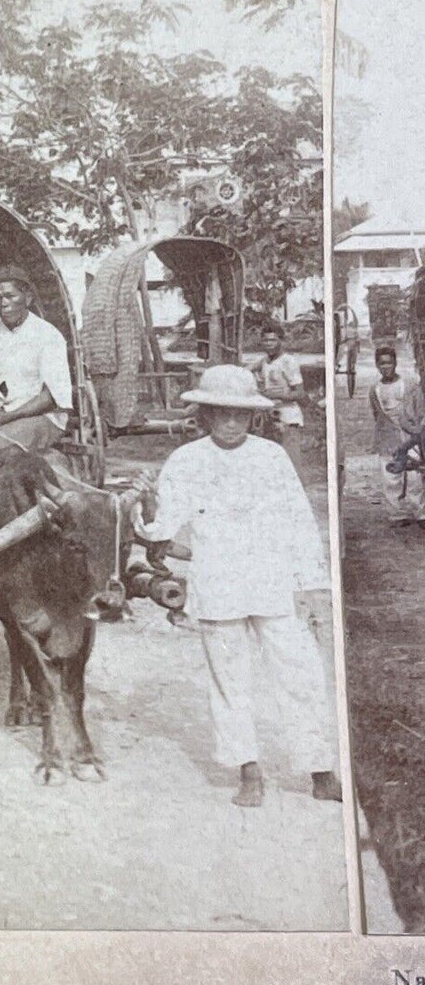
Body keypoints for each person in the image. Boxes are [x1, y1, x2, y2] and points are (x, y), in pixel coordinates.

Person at [131, 364, 342, 809]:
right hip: (219, 583)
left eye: (239, 415)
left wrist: (310, 585)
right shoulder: (187, 460)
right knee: (230, 680)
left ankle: (320, 769)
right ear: (203, 416)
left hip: (272, 580)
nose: (230, 423)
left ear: (254, 418)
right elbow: (159, 528)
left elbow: (299, 523)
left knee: (300, 674)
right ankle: (249, 771)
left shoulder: (271, 456)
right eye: (220, 414)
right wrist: (149, 501)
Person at [0, 265, 73, 482]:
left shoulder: (47, 335)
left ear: (27, 298)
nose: (3, 303)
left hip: (41, 417)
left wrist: (7, 417)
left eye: (10, 296)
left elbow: (49, 398)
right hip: (1, 413)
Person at [368, 344, 425, 523]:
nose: (386, 367)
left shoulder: (409, 386)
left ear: (395, 364)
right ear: (377, 365)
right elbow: (377, 415)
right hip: (388, 437)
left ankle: (421, 513)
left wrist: (417, 432)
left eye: (389, 363)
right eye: (382, 364)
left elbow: (421, 410)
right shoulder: (374, 389)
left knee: (416, 478)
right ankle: (396, 514)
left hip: (411, 436)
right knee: (391, 476)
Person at [256, 322, 309, 479]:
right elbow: (246, 370)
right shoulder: (265, 361)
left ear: (281, 341)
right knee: (272, 468)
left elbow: (300, 393)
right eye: (265, 340)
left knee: (291, 467)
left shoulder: (288, 361)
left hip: (289, 419)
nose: (268, 344)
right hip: (271, 419)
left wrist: (274, 396)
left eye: (272, 340)